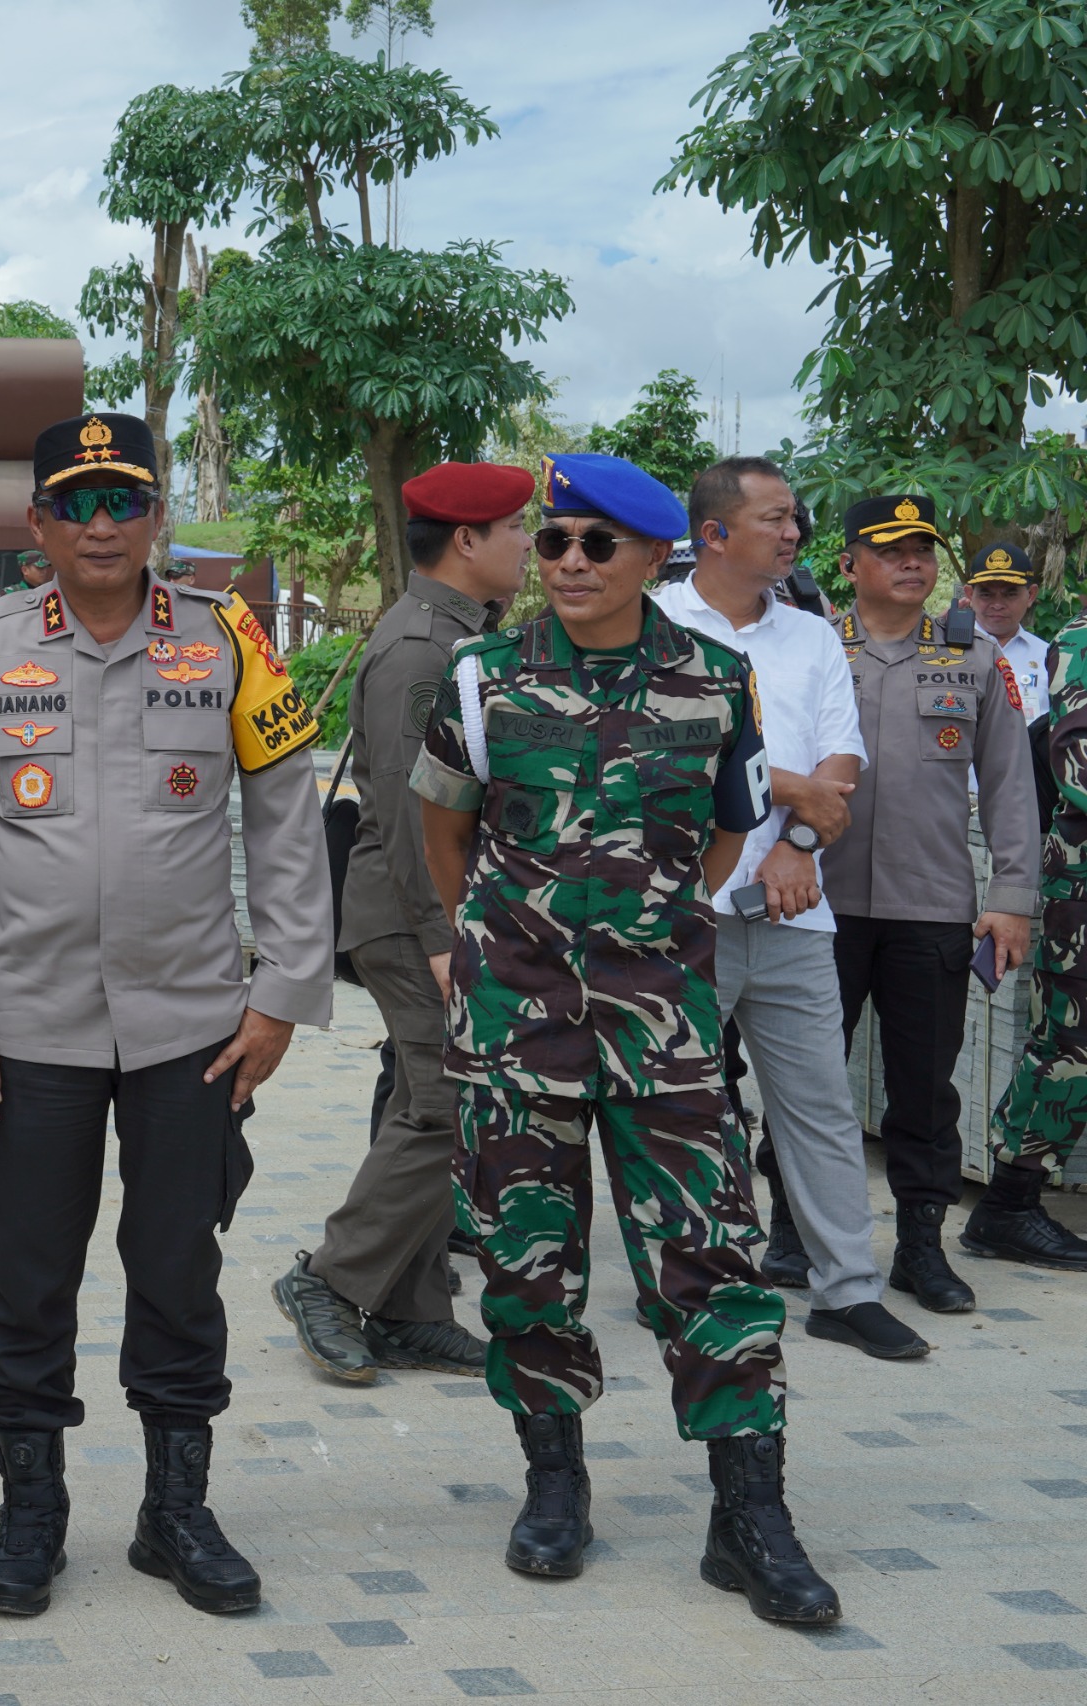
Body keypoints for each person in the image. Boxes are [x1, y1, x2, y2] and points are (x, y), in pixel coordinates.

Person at [0, 412, 331, 1622]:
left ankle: (174, 1508)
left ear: (155, 517)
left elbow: (285, 819)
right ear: (34, 523)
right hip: (26, 1028)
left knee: (179, 1266)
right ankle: (29, 1507)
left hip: (193, 1024)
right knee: (28, 1273)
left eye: (123, 500)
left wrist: (283, 992)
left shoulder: (225, 637)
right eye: (75, 502)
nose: (100, 523)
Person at [413, 451, 837, 1625]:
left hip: (666, 1025)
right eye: (551, 542)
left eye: (596, 544)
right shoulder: (479, 675)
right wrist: (509, 944)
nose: (567, 563)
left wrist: (643, 934)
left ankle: (748, 1513)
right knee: (526, 1257)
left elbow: (721, 838)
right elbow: (445, 838)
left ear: (657, 555)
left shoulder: (714, 681)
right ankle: (554, 1480)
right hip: (515, 1021)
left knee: (712, 1258)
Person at [651, 461, 925, 1353]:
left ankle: (845, 1289)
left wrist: (796, 846)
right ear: (715, 533)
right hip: (683, 912)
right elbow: (667, 762)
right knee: (677, 1109)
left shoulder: (813, 639)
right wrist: (793, 790)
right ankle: (684, 1284)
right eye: (775, 518)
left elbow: (841, 776)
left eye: (795, 519)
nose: (795, 533)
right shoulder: (652, 623)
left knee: (819, 1110)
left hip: (793, 907)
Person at [275, 461, 530, 1384]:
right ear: (468, 541)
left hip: (434, 913)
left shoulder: (460, 637)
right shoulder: (423, 650)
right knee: (444, 1102)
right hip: (410, 916)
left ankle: (412, 1307)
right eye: (516, 530)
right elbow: (408, 802)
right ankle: (332, 1283)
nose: (530, 546)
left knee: (442, 1101)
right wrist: (440, 939)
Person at [821, 495, 1035, 1313]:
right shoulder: (811, 650)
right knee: (809, 1080)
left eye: (923, 549)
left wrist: (1011, 900)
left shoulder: (975, 659)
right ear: (849, 565)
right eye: (891, 549)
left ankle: (920, 1246)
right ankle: (795, 1234)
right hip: (818, 906)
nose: (913, 562)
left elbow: (1014, 789)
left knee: (924, 1087)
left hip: (932, 908)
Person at [982, 603, 1087, 1271]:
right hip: (1081, 891)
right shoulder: (1082, 641)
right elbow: (1078, 767)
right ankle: (1008, 1206)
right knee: (1072, 1047)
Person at [962, 541, 1049, 721]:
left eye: (1010, 594)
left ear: (1031, 595)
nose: (997, 604)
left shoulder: (1047, 656)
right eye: (986, 594)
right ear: (970, 595)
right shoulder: (947, 648)